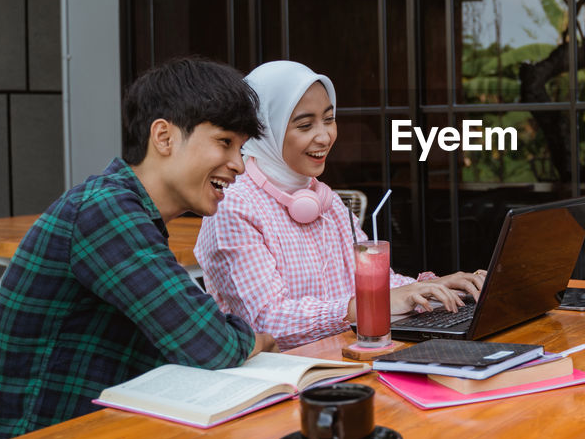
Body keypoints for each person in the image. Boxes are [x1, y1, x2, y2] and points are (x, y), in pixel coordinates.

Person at [0, 58, 277, 439]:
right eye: (225, 142)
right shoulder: (103, 211)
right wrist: (254, 339)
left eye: (241, 148)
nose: (238, 165)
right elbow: (210, 343)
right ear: (164, 137)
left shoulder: (124, 209)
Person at [194, 60, 484, 350]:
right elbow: (266, 322)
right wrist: (361, 307)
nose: (325, 136)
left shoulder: (325, 199)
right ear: (263, 129)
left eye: (329, 119)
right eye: (305, 125)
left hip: (346, 359)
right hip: (284, 378)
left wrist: (434, 289)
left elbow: (377, 284)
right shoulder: (233, 206)